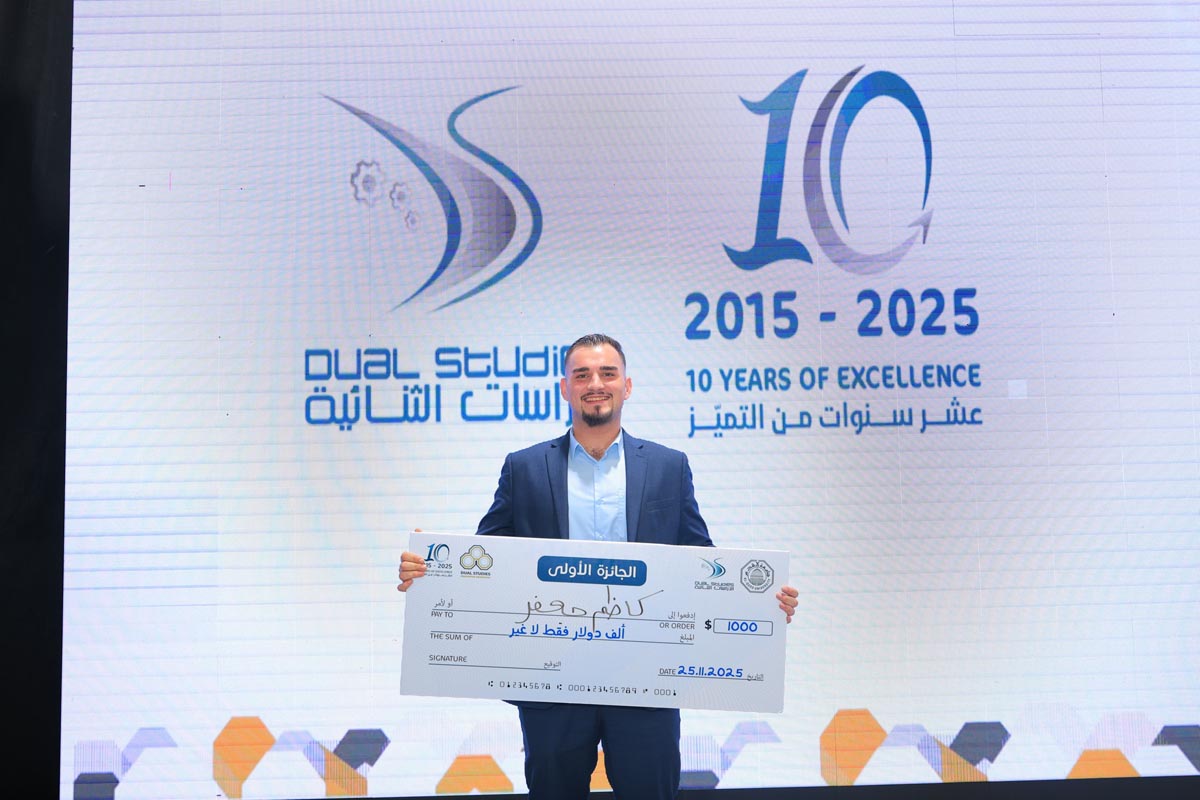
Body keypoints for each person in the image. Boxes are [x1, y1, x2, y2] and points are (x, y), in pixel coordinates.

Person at [399, 333, 798, 799]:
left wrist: (761, 604)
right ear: (564, 388)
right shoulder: (524, 468)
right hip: (552, 682)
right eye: (582, 375)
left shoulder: (669, 466)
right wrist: (431, 572)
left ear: (626, 386)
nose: (595, 384)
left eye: (607, 374)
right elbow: (488, 560)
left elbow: (701, 563)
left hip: (646, 679)